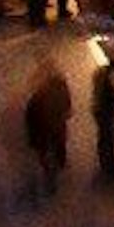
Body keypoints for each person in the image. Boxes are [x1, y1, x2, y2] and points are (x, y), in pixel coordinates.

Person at [24, 62, 74, 195]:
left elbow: (31, 120)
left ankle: (51, 181)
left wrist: (32, 138)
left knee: (47, 157)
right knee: (59, 147)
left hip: (44, 134)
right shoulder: (61, 88)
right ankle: (60, 163)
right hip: (56, 127)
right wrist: (66, 112)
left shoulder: (36, 98)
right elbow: (67, 104)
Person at [90, 59, 114, 177]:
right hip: (107, 111)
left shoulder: (101, 71)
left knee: (103, 137)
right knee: (109, 139)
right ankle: (111, 167)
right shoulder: (113, 77)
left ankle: (105, 163)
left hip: (98, 108)